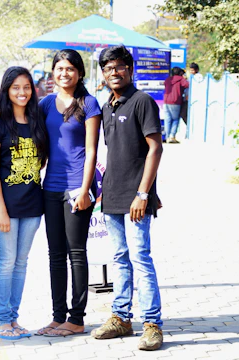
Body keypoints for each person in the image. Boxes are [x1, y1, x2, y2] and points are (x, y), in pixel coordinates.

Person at [91, 45, 163, 351]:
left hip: (136, 199)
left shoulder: (142, 102)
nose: (113, 73)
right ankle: (121, 318)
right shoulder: (107, 106)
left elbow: (155, 149)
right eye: (108, 69)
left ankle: (153, 325)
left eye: (119, 67)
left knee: (140, 258)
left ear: (130, 69)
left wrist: (144, 193)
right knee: (119, 258)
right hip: (112, 196)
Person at [36, 49, 101, 337]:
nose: (64, 73)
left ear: (80, 73)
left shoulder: (89, 103)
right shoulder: (46, 103)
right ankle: (57, 315)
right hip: (50, 186)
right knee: (54, 254)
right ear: (53, 73)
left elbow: (91, 151)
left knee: (76, 253)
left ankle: (76, 318)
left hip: (78, 188)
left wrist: (86, 190)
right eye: (59, 68)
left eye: (70, 69)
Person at [0, 66, 48, 340]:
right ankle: (3, 320)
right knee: (7, 261)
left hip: (33, 205)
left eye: (26, 87)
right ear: (6, 90)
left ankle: (15, 319)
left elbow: (42, 161)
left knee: (21, 262)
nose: (22, 92)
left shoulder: (38, 120)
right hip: (6, 207)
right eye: (16, 88)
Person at [163, 67, 189, 143]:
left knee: (167, 120)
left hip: (166, 101)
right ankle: (172, 136)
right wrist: (184, 78)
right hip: (175, 102)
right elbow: (187, 85)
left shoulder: (168, 79)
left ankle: (167, 137)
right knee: (175, 119)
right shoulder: (181, 80)